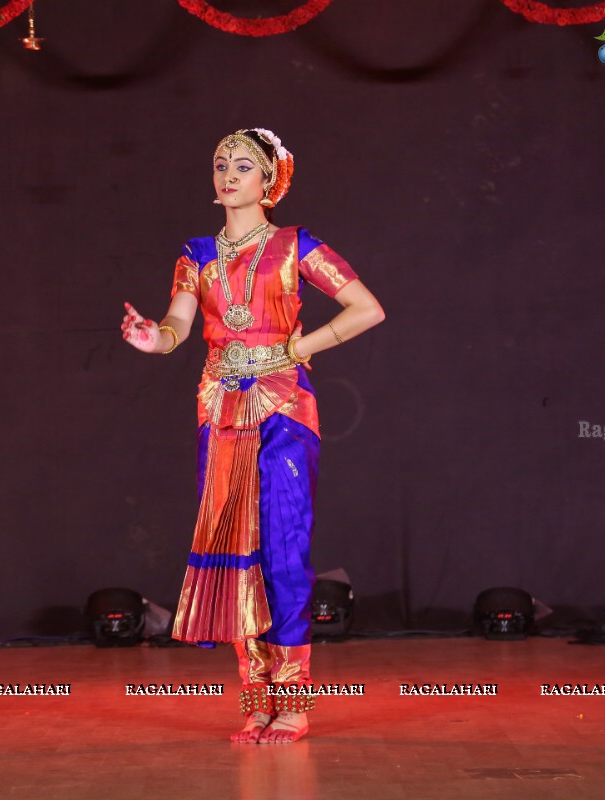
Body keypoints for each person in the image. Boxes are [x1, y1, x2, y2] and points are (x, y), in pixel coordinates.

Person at [121, 128, 384, 744]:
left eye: (243, 165)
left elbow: (366, 308)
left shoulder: (297, 246)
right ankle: (254, 701)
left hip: (284, 407)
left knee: (283, 549)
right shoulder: (195, 253)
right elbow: (177, 327)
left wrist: (302, 346)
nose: (228, 174)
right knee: (234, 548)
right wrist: (150, 339)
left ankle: (291, 702)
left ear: (271, 180)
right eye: (219, 164)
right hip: (219, 411)